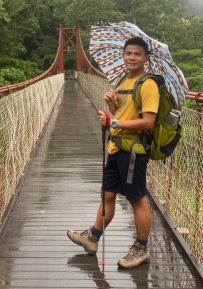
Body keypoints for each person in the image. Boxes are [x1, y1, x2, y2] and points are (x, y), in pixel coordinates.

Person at [67, 36, 159, 269]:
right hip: (116, 148)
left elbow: (148, 122)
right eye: (128, 53)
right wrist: (111, 105)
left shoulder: (148, 84)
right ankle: (92, 238)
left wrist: (114, 123)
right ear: (123, 55)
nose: (132, 57)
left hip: (134, 151)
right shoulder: (122, 81)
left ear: (146, 58)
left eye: (137, 54)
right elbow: (120, 115)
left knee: (136, 199)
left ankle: (141, 248)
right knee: (106, 195)